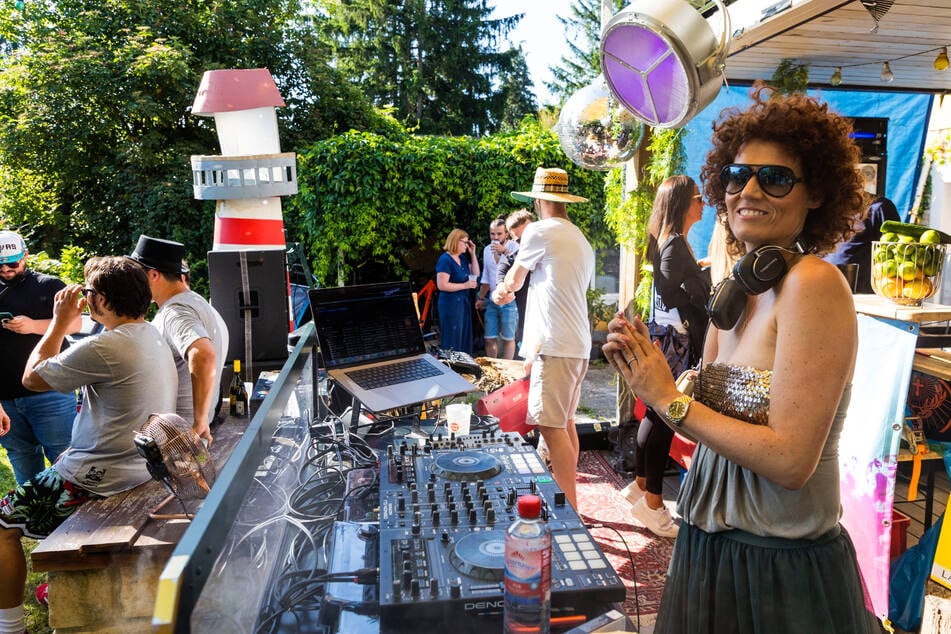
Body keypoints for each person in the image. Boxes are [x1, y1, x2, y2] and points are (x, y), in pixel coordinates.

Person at [604, 85, 878, 632]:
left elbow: (792, 462)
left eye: (774, 177)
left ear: (816, 193)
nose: (748, 189)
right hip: (707, 555)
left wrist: (668, 399)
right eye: (736, 175)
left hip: (775, 575)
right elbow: (709, 428)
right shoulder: (736, 293)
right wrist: (647, 371)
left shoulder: (814, 285)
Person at [0, 256, 177, 634]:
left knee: (1, 525)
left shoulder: (107, 346)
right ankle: (56, 588)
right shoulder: (150, 335)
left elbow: (32, 378)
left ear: (102, 300)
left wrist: (61, 322)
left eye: (89, 292)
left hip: (97, 479)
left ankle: (9, 628)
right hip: (137, 471)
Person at [494, 167, 594, 509]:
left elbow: (516, 281)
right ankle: (570, 502)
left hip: (555, 344)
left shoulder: (539, 231)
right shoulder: (579, 237)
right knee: (564, 424)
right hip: (577, 345)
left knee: (551, 428)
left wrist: (501, 292)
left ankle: (570, 512)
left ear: (539, 200)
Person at [620, 175, 709, 538]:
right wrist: (704, 282)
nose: (704, 204)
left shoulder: (669, 242)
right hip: (676, 343)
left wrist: (697, 271)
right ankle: (654, 505)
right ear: (684, 203)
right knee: (665, 419)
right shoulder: (674, 246)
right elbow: (675, 293)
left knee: (654, 416)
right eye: (698, 198)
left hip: (668, 338)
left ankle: (642, 487)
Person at [128, 235, 229, 446]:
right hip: (183, 432)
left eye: (137, 275)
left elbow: (203, 353)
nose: (132, 282)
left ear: (154, 275)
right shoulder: (200, 304)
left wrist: (199, 421)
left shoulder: (175, 312)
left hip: (177, 437)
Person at [0, 230, 80, 485]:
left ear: (25, 255)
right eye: (0, 265)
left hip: (50, 393)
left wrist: (33, 326)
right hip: (6, 400)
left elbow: (75, 324)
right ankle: (35, 522)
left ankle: (77, 521)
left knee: (66, 460)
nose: (6, 269)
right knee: (24, 464)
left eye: (12, 263)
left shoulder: (49, 285)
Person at [824, 195, 900, 293]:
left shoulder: (879, 207)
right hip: (823, 286)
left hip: (859, 294)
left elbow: (895, 253)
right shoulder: (825, 207)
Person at [475, 217, 519, 359]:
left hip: (509, 299)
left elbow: (520, 269)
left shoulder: (514, 247)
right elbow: (487, 277)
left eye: (499, 234)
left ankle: (507, 371)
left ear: (506, 233)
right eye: (492, 234)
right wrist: (481, 298)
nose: (495, 237)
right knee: (489, 338)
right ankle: (492, 368)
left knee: (508, 338)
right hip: (492, 299)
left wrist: (504, 251)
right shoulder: (487, 250)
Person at [436, 228, 479, 354]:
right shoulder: (445, 259)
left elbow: (476, 274)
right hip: (451, 305)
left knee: (464, 337)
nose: (467, 245)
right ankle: (450, 368)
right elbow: (442, 285)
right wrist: (465, 285)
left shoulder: (463, 259)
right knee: (452, 338)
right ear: (456, 241)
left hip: (463, 304)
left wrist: (473, 254)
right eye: (465, 242)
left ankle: (463, 369)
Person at [497, 209, 534, 352]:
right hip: (526, 326)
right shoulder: (515, 256)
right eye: (519, 240)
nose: (524, 242)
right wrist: (501, 289)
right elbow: (502, 272)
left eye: (528, 236)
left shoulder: (550, 253)